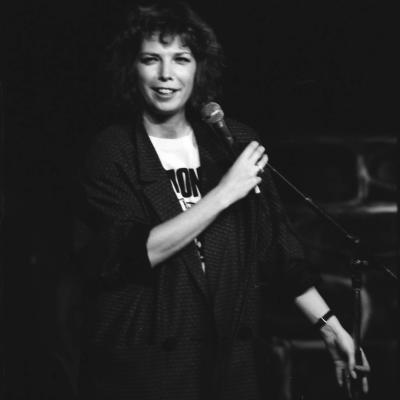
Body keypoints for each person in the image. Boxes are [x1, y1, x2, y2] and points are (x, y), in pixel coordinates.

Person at [73, 1, 370, 399]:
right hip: (147, 366)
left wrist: (331, 329)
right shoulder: (113, 150)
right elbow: (126, 254)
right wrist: (225, 192)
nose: (166, 74)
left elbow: (278, 252)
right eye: (151, 59)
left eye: (181, 59)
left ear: (199, 68)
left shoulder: (232, 140)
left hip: (227, 364)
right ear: (132, 68)